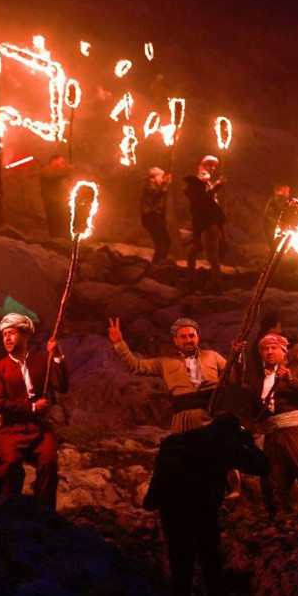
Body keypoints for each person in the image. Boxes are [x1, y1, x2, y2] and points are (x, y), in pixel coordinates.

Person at [144, 413, 269, 596]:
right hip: (201, 508)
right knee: (210, 559)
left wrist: (150, 500)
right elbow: (263, 467)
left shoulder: (174, 441)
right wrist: (249, 444)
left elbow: (160, 473)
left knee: (180, 559)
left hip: (171, 507)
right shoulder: (225, 445)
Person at [0, 313, 67, 509]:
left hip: (39, 428)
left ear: (25, 336)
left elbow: (62, 386)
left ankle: (45, 513)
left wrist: (57, 356)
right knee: (9, 466)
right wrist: (32, 407)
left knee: (49, 463)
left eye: (12, 333)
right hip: (11, 429)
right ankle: (5, 511)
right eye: (4, 334)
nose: (7, 338)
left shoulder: (42, 362)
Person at [249, 333, 298, 513]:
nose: (269, 352)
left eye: (274, 348)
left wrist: (291, 380)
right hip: (273, 437)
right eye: (265, 349)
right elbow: (255, 413)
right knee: (272, 480)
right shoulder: (258, 383)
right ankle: (280, 518)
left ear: (284, 352)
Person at [109, 316, 226, 433]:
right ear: (176, 341)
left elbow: (232, 375)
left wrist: (236, 356)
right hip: (184, 420)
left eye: (192, 336)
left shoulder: (212, 356)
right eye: (183, 337)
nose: (188, 340)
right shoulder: (165, 363)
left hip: (211, 416)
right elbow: (136, 366)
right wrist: (118, 343)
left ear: (198, 338)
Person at [182, 157, 226, 285]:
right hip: (203, 229)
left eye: (185, 185)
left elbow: (208, 209)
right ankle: (191, 279)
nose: (183, 187)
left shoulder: (199, 197)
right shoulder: (201, 184)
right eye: (210, 165)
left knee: (212, 258)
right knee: (191, 252)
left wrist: (212, 225)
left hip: (208, 229)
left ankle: (217, 284)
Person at [140, 167, 172, 264]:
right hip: (151, 217)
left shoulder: (153, 185)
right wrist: (165, 183)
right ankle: (157, 264)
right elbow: (157, 194)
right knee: (163, 242)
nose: (162, 179)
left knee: (163, 243)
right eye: (160, 177)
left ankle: (156, 264)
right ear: (153, 177)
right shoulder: (149, 185)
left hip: (154, 217)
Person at [39, 154, 72, 239]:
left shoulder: (58, 173)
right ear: (54, 161)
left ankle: (62, 240)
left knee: (62, 224)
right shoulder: (47, 169)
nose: (63, 165)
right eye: (61, 162)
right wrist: (67, 170)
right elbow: (51, 177)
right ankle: (57, 240)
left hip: (59, 202)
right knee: (56, 224)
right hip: (52, 202)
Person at [261, 184, 290, 249]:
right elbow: (283, 210)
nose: (288, 194)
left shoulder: (273, 198)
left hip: (269, 224)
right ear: (283, 190)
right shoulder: (280, 199)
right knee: (273, 246)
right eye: (288, 191)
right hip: (273, 225)